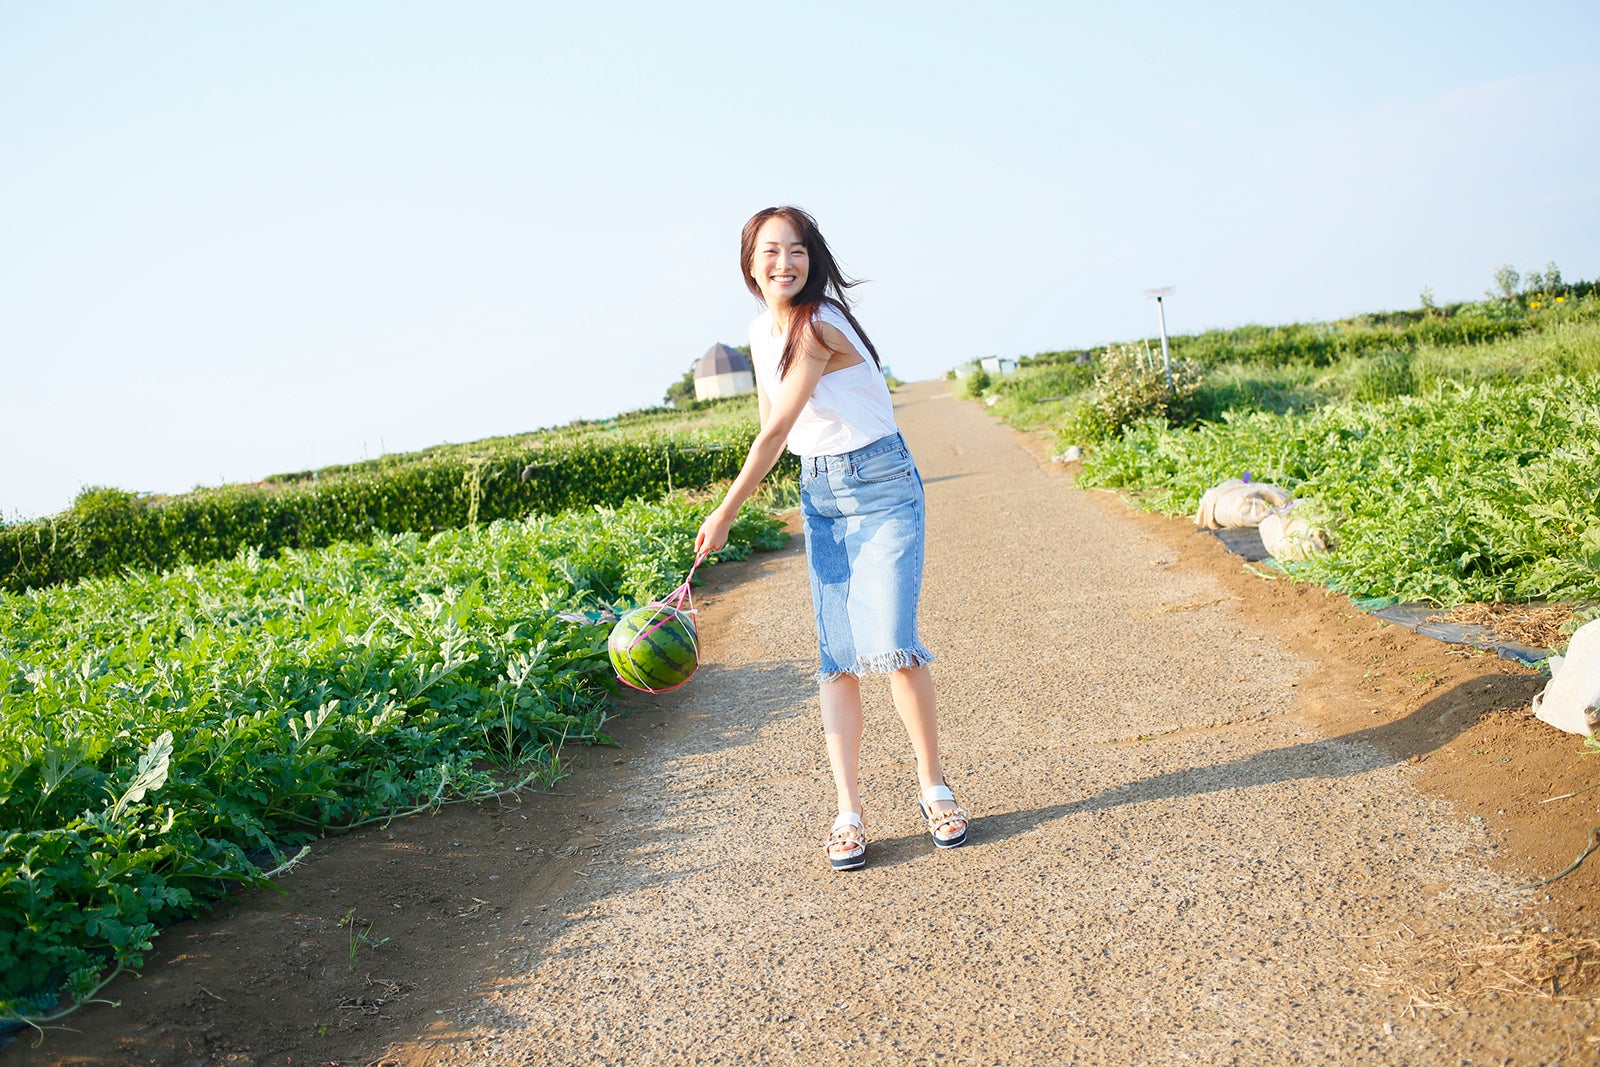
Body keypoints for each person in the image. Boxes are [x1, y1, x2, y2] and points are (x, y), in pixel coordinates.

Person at [694, 205, 969, 871]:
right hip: (822, 493)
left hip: (881, 486)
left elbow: (775, 429)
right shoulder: (762, 331)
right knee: (838, 657)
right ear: (749, 262)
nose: (784, 263)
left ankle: (934, 787)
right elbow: (774, 426)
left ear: (812, 259)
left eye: (796, 250)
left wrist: (726, 511)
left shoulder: (817, 324)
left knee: (895, 643)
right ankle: (849, 808)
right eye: (770, 251)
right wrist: (756, 498)